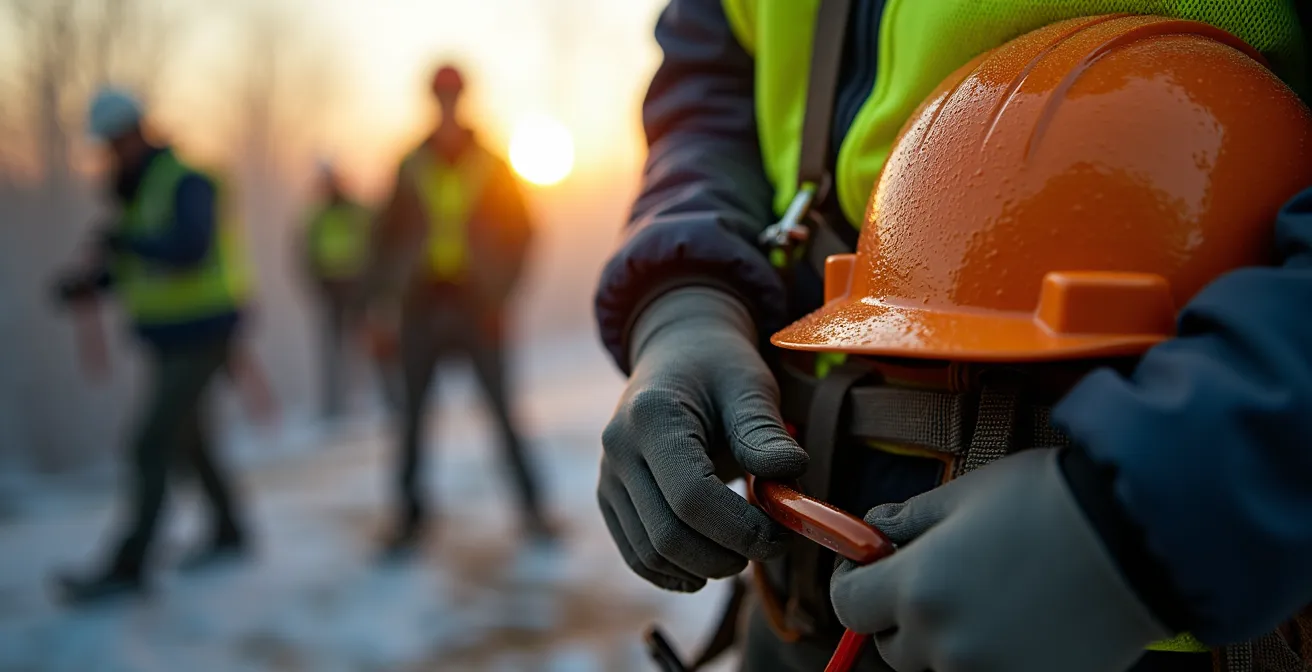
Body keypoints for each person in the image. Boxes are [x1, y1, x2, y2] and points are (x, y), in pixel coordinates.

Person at [594, 2, 1312, 671]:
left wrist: (1157, 512)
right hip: (801, 588)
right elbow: (712, 87)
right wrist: (683, 296)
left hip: (1150, 602)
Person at [52, 87, 252, 604]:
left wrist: (126, 243)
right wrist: (86, 287)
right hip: (170, 338)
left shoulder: (186, 182)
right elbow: (136, 264)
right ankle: (230, 529)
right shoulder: (140, 191)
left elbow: (189, 248)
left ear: (135, 132)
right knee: (189, 438)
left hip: (204, 334)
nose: (110, 154)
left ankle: (130, 563)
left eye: (114, 142)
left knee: (149, 442)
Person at [361, 64, 550, 555]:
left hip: (476, 307)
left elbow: (523, 233)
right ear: (432, 99)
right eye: (440, 94)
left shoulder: (491, 164)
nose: (446, 102)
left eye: (452, 94)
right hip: (420, 308)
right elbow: (382, 240)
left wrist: (500, 297)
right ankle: (408, 518)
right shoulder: (410, 164)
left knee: (503, 415)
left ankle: (533, 512)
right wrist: (381, 305)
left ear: (463, 97)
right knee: (412, 420)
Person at [300, 160, 372, 419]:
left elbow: (377, 246)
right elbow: (306, 256)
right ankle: (334, 407)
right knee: (332, 350)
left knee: (372, 345)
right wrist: (319, 287)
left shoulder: (359, 212)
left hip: (360, 291)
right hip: (332, 293)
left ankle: (380, 399)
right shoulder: (317, 217)